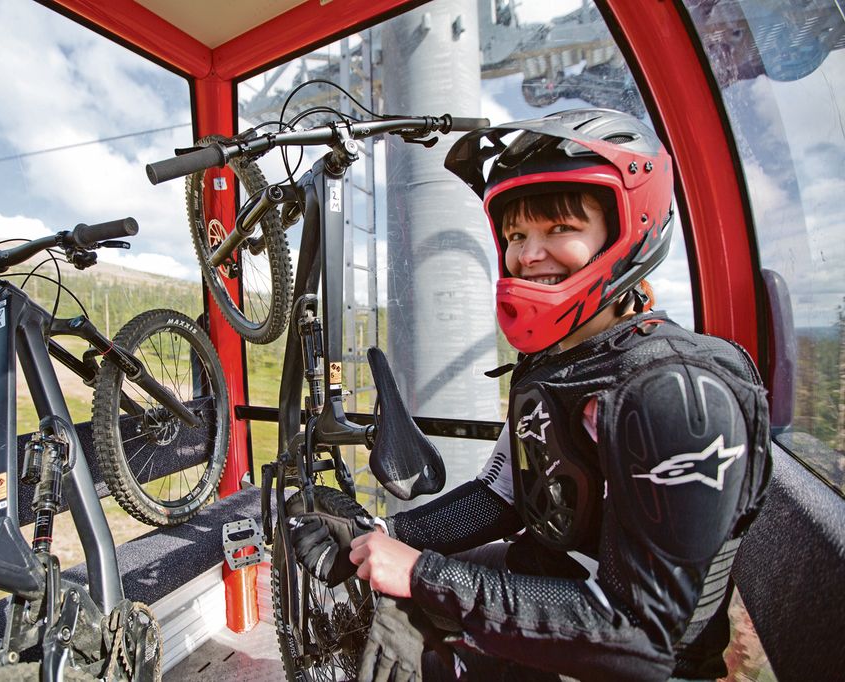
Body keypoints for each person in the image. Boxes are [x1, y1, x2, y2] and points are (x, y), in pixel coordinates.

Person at [290, 108, 772, 682]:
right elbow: (504, 496)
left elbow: (639, 638)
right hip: (558, 581)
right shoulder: (556, 364)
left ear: (630, 227)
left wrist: (422, 576)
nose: (528, 254)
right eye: (517, 234)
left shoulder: (673, 393)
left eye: (560, 228)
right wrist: (387, 538)